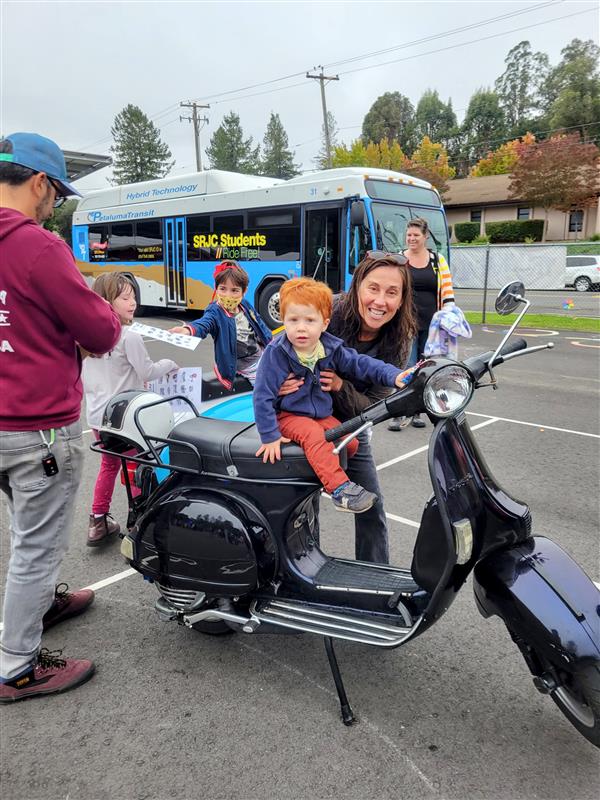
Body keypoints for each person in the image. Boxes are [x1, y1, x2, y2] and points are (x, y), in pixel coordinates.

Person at [0, 132, 122, 703]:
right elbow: (100, 330)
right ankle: (16, 666)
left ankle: (40, 602)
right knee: (36, 544)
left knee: (25, 532)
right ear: (40, 183)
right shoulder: (38, 246)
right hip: (38, 425)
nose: (56, 205)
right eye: (56, 193)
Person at [279, 253, 416, 562]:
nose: (380, 301)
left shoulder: (399, 337)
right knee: (301, 502)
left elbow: (376, 406)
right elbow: (283, 343)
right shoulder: (330, 311)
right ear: (357, 288)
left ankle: (376, 577)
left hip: (352, 425)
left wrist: (342, 386)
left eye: (392, 292)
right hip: (306, 421)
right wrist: (277, 384)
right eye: (373, 288)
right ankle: (301, 567)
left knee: (371, 504)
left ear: (402, 298)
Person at [253, 277, 416, 515]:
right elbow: (262, 396)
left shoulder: (330, 348)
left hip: (321, 414)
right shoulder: (276, 353)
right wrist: (269, 436)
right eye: (293, 320)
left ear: (324, 323)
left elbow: (363, 364)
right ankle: (340, 489)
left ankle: (325, 467)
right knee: (314, 436)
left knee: (350, 442)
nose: (301, 328)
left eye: (309, 320)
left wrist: (395, 376)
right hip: (289, 416)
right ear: (283, 320)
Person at [82, 272, 179, 546]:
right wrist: (170, 363)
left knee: (109, 466)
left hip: (99, 419)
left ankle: (97, 521)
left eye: (134, 296)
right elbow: (147, 370)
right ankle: (140, 518)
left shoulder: (86, 339)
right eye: (125, 297)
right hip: (128, 419)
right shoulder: (129, 337)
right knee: (140, 464)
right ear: (106, 302)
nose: (132, 302)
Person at [388, 217, 455, 431]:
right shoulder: (399, 260)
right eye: (409, 235)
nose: (411, 239)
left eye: (416, 235)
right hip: (406, 323)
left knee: (425, 367)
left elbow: (447, 290)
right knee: (407, 367)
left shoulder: (437, 260)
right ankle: (399, 413)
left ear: (425, 237)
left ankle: (417, 410)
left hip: (432, 325)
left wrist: (448, 315)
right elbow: (392, 286)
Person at [170, 260, 272, 388]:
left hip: (262, 355)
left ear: (244, 291)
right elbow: (204, 324)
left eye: (234, 290)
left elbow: (259, 323)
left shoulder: (244, 305)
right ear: (216, 288)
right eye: (223, 289)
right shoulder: (215, 312)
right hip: (246, 367)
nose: (228, 295)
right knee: (268, 390)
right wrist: (188, 330)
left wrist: (271, 342)